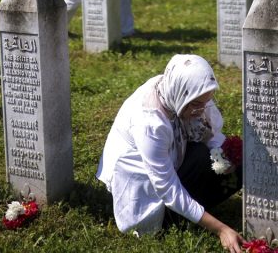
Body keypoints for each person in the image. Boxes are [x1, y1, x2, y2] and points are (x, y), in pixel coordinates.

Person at [96, 54, 244, 252]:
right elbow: (167, 188)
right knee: (201, 157)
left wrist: (228, 157)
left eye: (206, 102)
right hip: (143, 190)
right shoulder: (150, 123)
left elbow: (211, 135)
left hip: (171, 162)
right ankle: (174, 217)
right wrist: (221, 229)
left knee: (232, 163)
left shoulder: (179, 90)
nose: (202, 110)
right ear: (182, 96)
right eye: (196, 104)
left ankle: (194, 210)